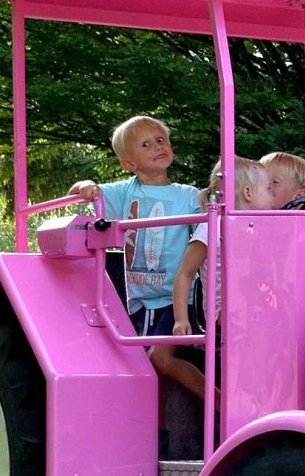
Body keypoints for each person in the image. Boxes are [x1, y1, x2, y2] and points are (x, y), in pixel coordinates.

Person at [67, 114, 206, 399]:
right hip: (140, 297)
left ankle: (217, 403)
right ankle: (159, 432)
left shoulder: (188, 195)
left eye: (160, 140)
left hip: (175, 297)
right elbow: (81, 192)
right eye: (146, 144)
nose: (157, 146)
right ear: (130, 164)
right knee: (146, 369)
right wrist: (85, 186)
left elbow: (211, 218)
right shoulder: (125, 191)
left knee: (160, 358)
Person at [171, 159, 267, 357]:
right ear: (248, 193)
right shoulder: (211, 228)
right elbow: (185, 274)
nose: (272, 196)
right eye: (268, 189)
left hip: (252, 301)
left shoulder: (258, 228)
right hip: (223, 308)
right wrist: (181, 319)